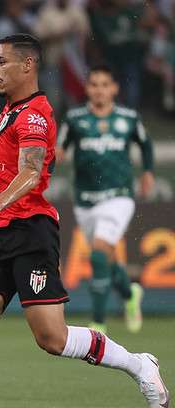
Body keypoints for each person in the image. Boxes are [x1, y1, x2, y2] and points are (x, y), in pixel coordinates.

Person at [0, 34, 168, 408]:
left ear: (27, 66)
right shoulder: (13, 110)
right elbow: (11, 139)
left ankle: (138, 363)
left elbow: (31, 171)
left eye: (1, 61)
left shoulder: (37, 114)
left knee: (51, 338)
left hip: (29, 231)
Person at [57, 66, 154, 335]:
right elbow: (60, 148)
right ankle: (129, 292)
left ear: (114, 89)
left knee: (99, 252)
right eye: (94, 85)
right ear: (87, 89)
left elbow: (145, 145)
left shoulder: (128, 118)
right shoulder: (75, 119)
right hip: (85, 200)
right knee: (105, 259)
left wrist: (147, 172)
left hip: (119, 196)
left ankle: (98, 323)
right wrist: (55, 156)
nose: (99, 90)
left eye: (104, 84)